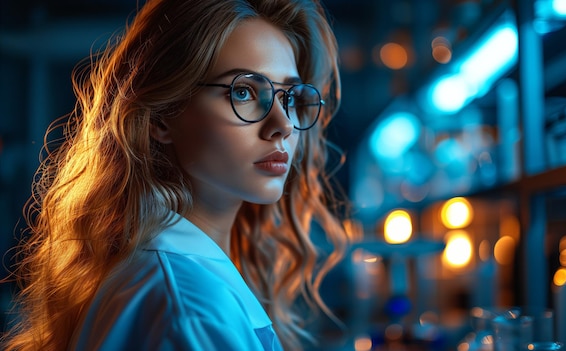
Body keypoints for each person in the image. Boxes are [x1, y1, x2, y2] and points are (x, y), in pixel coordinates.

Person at [2, 0, 355, 349]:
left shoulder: (170, 277)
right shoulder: (189, 310)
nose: (282, 125)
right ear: (161, 116)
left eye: (290, 97)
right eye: (244, 92)